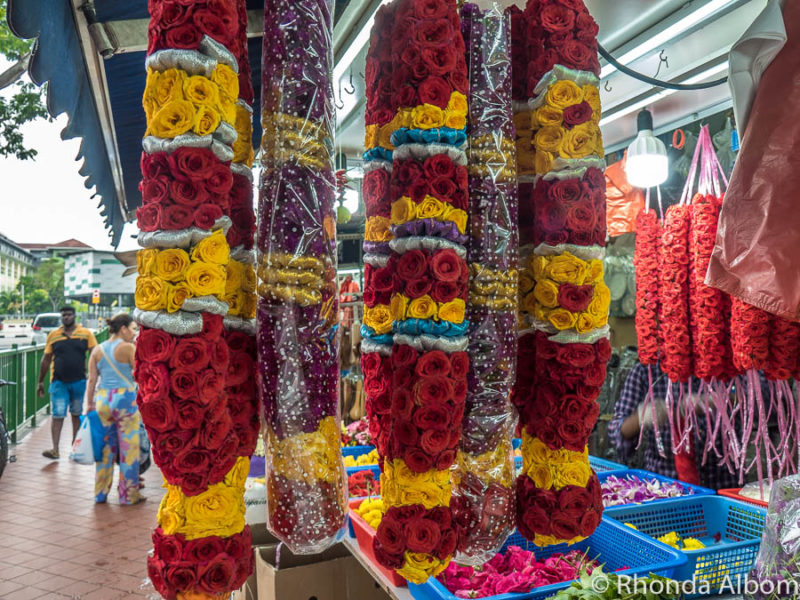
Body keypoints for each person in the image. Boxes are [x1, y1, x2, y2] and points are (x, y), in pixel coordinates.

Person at [608, 360, 739, 490]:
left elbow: (755, 403)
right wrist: (641, 417)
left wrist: (719, 400)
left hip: (722, 485)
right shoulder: (645, 371)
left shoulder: (721, 364)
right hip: (665, 488)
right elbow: (616, 434)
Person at [85, 313, 142, 504]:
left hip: (103, 400)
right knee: (129, 450)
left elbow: (92, 380)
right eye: (133, 329)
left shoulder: (97, 350)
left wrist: (89, 404)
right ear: (123, 329)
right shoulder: (128, 348)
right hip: (125, 400)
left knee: (105, 450)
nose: (135, 333)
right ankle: (128, 496)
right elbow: (139, 376)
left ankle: (100, 493)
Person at [37, 306, 97, 459]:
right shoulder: (54, 335)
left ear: (74, 316)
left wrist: (95, 377)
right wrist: (40, 382)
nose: (66, 318)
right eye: (64, 315)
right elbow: (46, 359)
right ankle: (55, 449)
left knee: (76, 414)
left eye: (69, 315)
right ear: (61, 317)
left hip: (79, 381)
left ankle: (74, 448)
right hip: (58, 382)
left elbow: (95, 354)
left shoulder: (86, 334)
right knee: (57, 414)